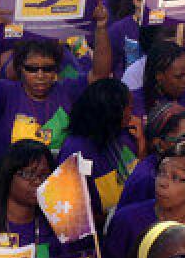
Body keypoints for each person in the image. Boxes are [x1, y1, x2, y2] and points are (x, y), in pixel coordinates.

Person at [0, 5, 112, 167]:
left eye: (48, 68)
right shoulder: (6, 94)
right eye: (32, 69)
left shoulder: (67, 91)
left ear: (57, 69)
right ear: (19, 68)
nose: (40, 75)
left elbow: (99, 76)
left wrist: (101, 27)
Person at [59, 78, 141, 213]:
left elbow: (137, 179)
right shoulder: (75, 150)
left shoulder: (123, 134)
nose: (131, 112)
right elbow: (73, 212)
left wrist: (141, 144)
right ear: (112, 112)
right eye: (128, 107)